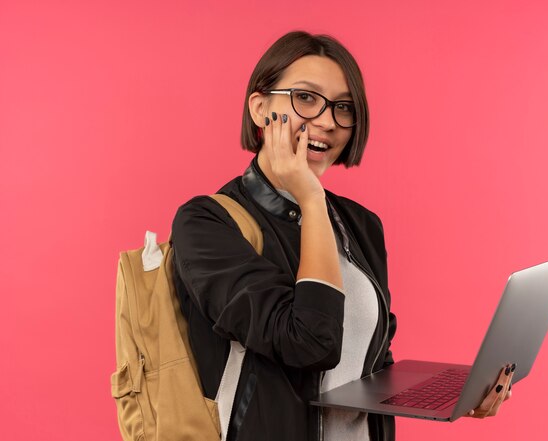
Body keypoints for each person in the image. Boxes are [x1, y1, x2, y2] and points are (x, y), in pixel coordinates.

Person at [170, 30, 512, 441]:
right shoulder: (207, 223)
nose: (328, 122)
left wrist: (453, 395)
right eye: (307, 98)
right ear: (260, 108)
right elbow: (309, 344)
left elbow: (371, 363)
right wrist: (311, 199)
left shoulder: (360, 224)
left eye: (344, 107)